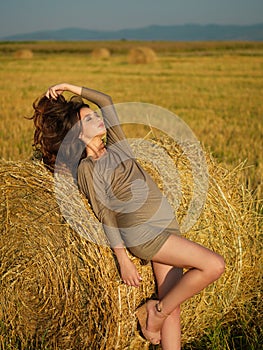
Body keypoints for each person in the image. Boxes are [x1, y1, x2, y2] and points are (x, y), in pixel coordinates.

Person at [31, 83, 225, 349]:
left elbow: (106, 101)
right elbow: (105, 215)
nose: (97, 118)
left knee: (173, 306)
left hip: (165, 224)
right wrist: (123, 260)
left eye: (94, 115)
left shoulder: (118, 146)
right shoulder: (88, 168)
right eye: (88, 119)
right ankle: (154, 313)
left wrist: (68, 85)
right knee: (214, 265)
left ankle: (159, 313)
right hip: (144, 233)